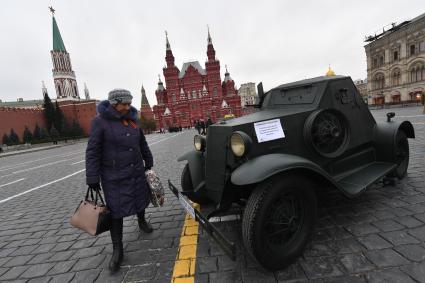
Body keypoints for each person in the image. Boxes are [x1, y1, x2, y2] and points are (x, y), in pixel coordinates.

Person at [85, 89, 154, 273]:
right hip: (114, 177)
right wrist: (92, 177)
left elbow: (142, 143)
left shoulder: (133, 120)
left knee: (140, 198)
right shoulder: (100, 122)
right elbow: (93, 151)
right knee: (116, 211)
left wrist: (148, 160)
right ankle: (118, 250)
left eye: (129, 103)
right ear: (114, 104)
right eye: (124, 104)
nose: (128, 107)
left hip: (136, 171)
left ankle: (142, 220)